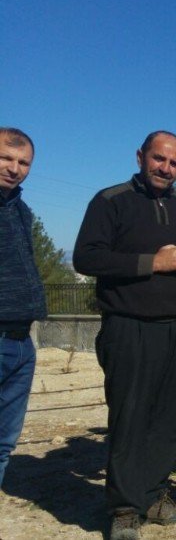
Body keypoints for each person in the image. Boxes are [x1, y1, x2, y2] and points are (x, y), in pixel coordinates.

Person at [74, 131, 176, 539]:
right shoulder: (110, 201)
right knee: (131, 416)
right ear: (141, 156)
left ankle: (154, 493)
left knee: (171, 416)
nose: (165, 168)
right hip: (129, 327)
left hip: (175, 328)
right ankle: (125, 508)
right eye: (158, 159)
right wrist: (153, 262)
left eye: (174, 163)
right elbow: (87, 257)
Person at [0, 127, 46, 489]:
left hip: (20, 341)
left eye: (23, 162)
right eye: (5, 158)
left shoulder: (21, 210)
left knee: (3, 443)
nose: (14, 168)